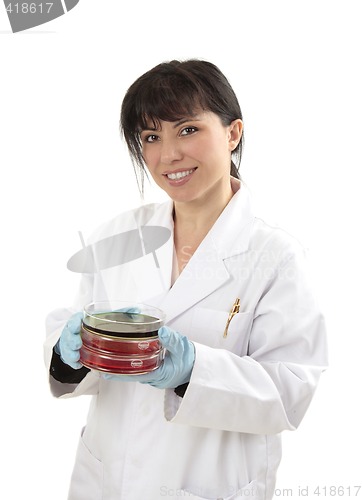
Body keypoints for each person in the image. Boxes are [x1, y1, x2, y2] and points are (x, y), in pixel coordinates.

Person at [44, 59, 327, 500]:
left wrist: (193, 368)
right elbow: (77, 355)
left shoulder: (276, 258)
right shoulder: (116, 238)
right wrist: (68, 355)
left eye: (188, 130)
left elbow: (290, 393)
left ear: (233, 133)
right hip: (104, 482)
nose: (168, 155)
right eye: (151, 137)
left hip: (210, 486)